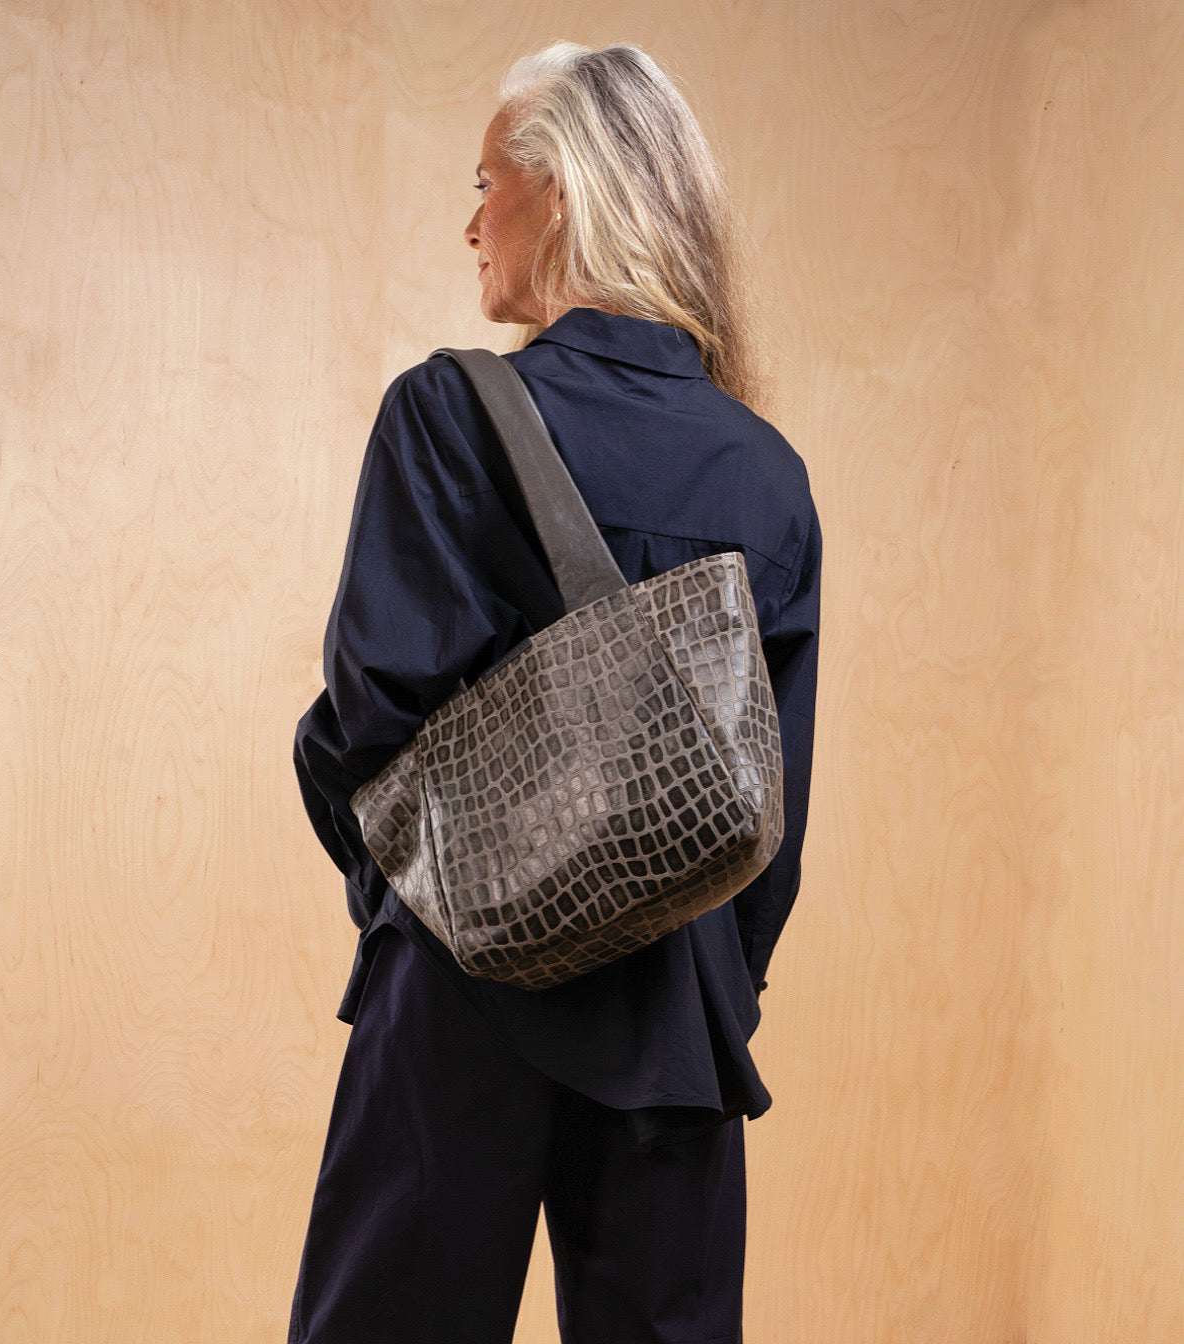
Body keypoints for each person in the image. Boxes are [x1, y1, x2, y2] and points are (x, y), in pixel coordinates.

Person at [286, 41, 820, 1344]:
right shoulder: (765, 475)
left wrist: (403, 912)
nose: (472, 222)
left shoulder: (448, 417)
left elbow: (373, 716)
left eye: (487, 183)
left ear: (562, 191)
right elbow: (770, 814)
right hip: (674, 1028)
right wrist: (711, 987)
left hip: (459, 993)